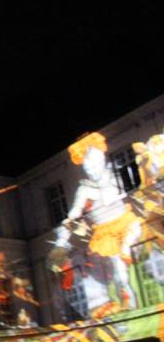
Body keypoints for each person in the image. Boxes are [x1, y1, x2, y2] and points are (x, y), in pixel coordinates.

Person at [52, 132, 142, 313]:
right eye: (88, 167)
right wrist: (61, 241)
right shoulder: (85, 190)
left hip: (125, 222)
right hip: (104, 233)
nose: (92, 170)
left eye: (95, 164)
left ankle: (130, 298)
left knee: (131, 244)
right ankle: (129, 306)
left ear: (101, 159)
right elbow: (73, 215)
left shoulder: (114, 175)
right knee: (118, 272)